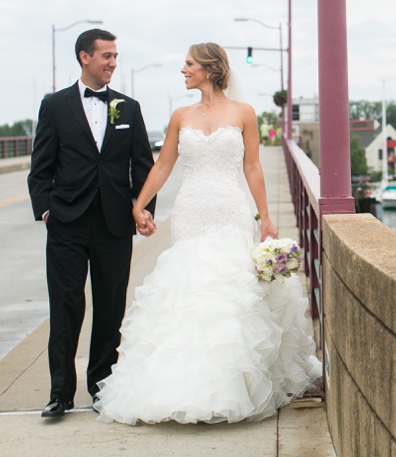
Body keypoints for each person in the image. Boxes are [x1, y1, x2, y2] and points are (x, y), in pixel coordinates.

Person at [94, 43, 321, 425]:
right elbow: (164, 164)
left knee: (230, 291)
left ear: (210, 70)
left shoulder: (244, 113)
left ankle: (234, 386)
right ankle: (183, 389)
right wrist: (140, 204)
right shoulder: (180, 115)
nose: (183, 70)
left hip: (231, 209)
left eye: (189, 64)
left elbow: (251, 167)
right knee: (190, 290)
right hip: (190, 211)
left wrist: (264, 217)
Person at [28, 28, 156, 419]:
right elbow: (41, 169)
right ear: (85, 57)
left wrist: (143, 208)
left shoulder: (129, 108)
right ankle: (60, 393)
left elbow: (143, 166)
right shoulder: (54, 106)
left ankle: (102, 387)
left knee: (110, 307)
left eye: (116, 56)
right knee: (66, 306)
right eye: (107, 56)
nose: (113, 63)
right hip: (67, 221)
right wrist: (48, 211)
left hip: (114, 225)